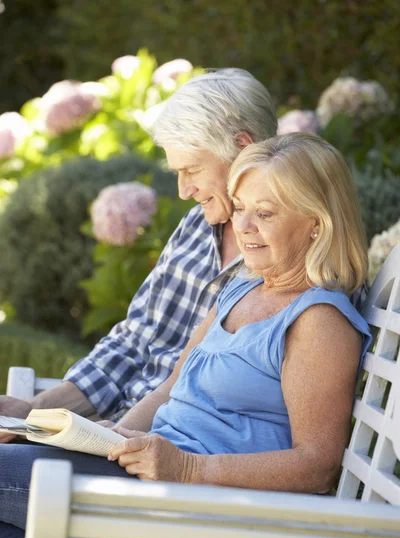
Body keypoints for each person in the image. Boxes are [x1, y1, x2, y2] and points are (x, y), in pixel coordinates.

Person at [0, 133, 371, 538]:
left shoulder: (319, 322)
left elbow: (317, 465)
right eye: (239, 207)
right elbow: (168, 389)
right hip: (157, 487)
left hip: (205, 520)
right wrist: (112, 437)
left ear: (317, 223)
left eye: (266, 213)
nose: (245, 226)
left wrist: (191, 470)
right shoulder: (242, 289)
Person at [0, 68, 278, 440]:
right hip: (118, 434)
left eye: (192, 170)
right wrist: (33, 412)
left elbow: (219, 402)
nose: (183, 190)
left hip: (164, 456)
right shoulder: (197, 226)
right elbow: (134, 340)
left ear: (244, 148)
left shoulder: (288, 257)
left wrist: (116, 437)